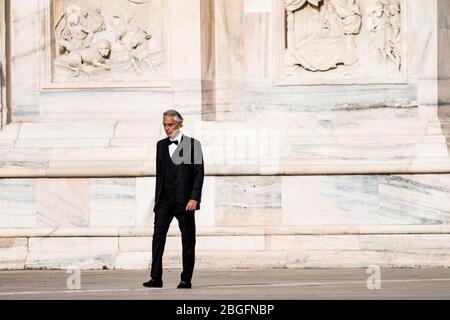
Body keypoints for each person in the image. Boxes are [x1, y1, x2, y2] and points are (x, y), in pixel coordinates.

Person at [143, 110, 204, 289]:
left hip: (185, 201)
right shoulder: (160, 145)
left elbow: (199, 173)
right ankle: (156, 278)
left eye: (170, 125)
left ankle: (186, 279)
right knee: (158, 238)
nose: (166, 128)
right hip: (164, 201)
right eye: (164, 125)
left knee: (188, 240)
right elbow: (160, 175)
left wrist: (194, 198)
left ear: (179, 125)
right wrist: (157, 201)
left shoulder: (193, 145)